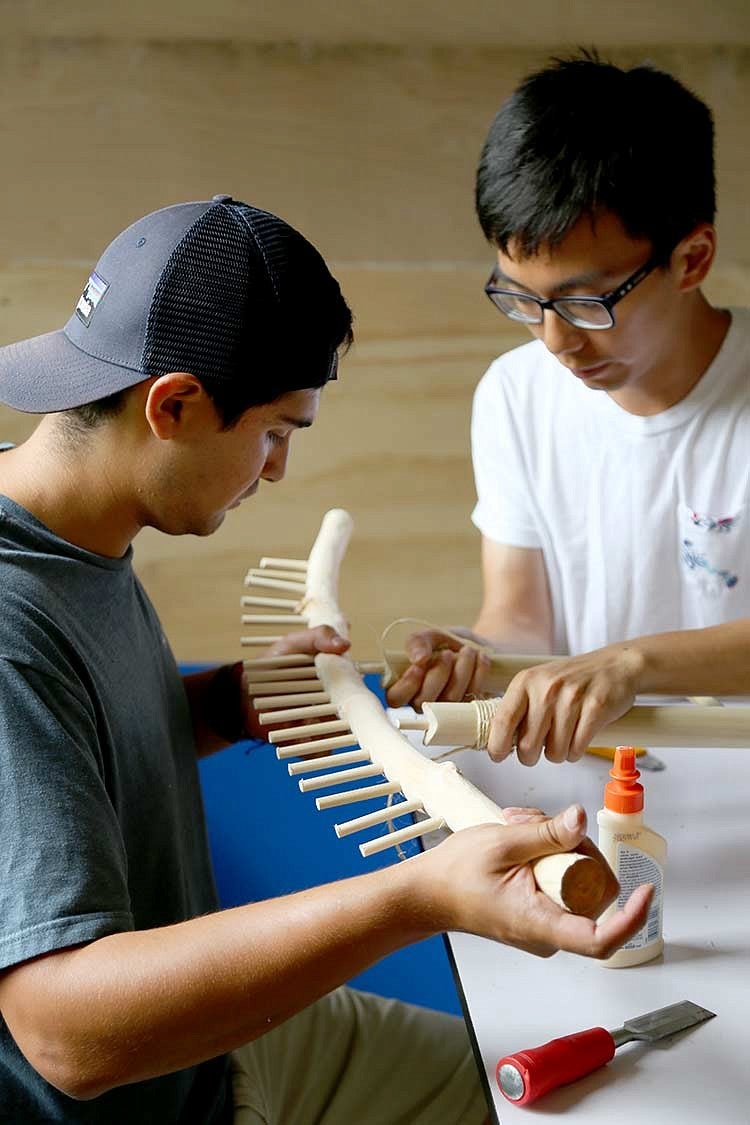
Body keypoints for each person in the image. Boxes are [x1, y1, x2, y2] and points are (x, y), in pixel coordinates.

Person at [0, 195, 651, 1123]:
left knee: (590, 1096)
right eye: (274, 432)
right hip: (150, 1099)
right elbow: (63, 1034)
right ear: (174, 403)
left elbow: (60, 763)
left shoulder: (70, 532)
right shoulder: (10, 618)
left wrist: (222, 706)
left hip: (220, 1051)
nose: (276, 471)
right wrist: (414, 898)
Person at [387, 52, 750, 763]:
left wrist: (632, 663)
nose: (555, 340)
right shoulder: (514, 395)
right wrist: (479, 655)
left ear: (692, 257)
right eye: (522, 299)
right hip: (590, 794)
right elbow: (523, 619)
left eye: (587, 302)